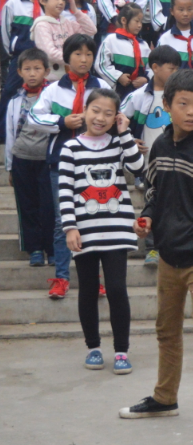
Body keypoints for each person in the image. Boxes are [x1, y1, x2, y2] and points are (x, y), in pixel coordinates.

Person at [119, 69, 193, 445]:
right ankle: (164, 398)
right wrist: (149, 216)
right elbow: (154, 192)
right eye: (183, 104)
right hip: (168, 258)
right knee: (166, 333)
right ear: (166, 106)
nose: (191, 112)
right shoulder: (160, 148)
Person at [60, 88, 143, 374]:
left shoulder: (119, 142)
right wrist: (70, 227)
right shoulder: (70, 148)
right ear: (85, 111)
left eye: (109, 113)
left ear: (116, 117)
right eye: (96, 110)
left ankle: (121, 351)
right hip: (84, 230)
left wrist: (124, 133)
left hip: (117, 230)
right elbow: (65, 191)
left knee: (117, 289)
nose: (101, 117)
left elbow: (137, 166)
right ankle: (93, 347)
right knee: (89, 290)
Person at [27, 34, 108, 299]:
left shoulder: (102, 87)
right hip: (60, 162)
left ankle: (93, 279)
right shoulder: (53, 89)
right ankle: (61, 277)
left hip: (94, 162)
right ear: (66, 58)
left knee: (93, 219)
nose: (84, 59)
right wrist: (63, 122)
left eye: (88, 54)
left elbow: (113, 116)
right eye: (78, 54)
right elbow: (34, 116)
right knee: (64, 221)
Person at [121, 45, 182, 265]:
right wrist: (129, 140)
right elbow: (117, 120)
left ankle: (173, 246)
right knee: (152, 204)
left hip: (178, 162)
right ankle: (152, 248)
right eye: (171, 69)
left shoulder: (180, 97)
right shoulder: (138, 97)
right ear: (155, 67)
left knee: (177, 205)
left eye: (177, 69)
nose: (175, 73)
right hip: (149, 165)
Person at [5, 48, 53, 267]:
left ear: (46, 70)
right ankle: (34, 249)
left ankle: (52, 248)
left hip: (47, 159)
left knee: (49, 205)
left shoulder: (53, 96)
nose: (32, 73)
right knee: (27, 205)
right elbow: (10, 134)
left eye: (37, 68)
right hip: (22, 159)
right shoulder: (15, 101)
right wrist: (9, 167)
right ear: (19, 72)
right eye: (27, 69)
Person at [0, 0, 47, 141]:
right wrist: (13, 50)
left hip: (43, 58)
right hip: (21, 57)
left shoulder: (48, 3)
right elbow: (5, 32)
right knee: (10, 92)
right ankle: (4, 136)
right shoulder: (14, 4)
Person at [31, 0, 97, 82]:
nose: (61, 2)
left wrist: (75, 10)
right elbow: (49, 53)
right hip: (52, 78)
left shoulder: (67, 23)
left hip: (70, 74)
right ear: (43, 1)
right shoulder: (41, 25)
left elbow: (91, 30)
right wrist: (73, 60)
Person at [96, 3, 152, 99]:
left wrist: (145, 79)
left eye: (141, 22)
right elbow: (101, 64)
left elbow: (150, 68)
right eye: (136, 21)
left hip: (139, 93)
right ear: (124, 20)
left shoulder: (143, 45)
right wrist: (118, 77)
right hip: (117, 93)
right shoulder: (111, 40)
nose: (139, 25)